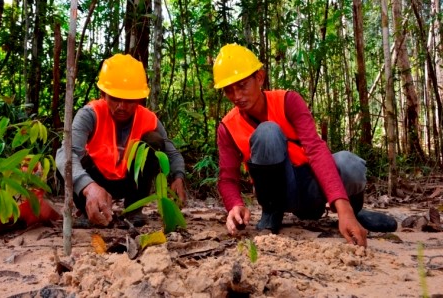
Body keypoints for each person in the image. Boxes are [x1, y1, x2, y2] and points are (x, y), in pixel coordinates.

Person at [213, 44, 397, 247]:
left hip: (310, 184)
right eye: (228, 90)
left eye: (242, 85)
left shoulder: (288, 101)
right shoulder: (227, 127)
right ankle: (272, 213)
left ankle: (352, 212)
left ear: (259, 77)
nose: (236, 96)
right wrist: (235, 205)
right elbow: (227, 177)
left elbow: (316, 149)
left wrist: (343, 208)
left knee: (349, 163)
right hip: (278, 191)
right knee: (268, 132)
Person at [56, 53, 186, 227]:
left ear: (140, 98)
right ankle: (89, 209)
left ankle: (134, 209)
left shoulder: (148, 119)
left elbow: (172, 153)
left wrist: (178, 177)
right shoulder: (89, 114)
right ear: (103, 94)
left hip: (129, 181)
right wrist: (88, 186)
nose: (122, 107)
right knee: (64, 163)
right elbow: (66, 154)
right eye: (115, 98)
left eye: (129, 100)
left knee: (155, 141)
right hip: (95, 178)